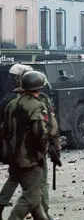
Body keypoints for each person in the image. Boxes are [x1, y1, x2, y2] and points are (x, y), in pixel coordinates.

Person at [0, 66, 59, 220]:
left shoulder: (11, 103)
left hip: (14, 154)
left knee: (20, 183)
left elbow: (5, 130)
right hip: (31, 157)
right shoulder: (37, 104)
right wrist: (46, 150)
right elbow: (41, 132)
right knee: (33, 194)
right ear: (39, 86)